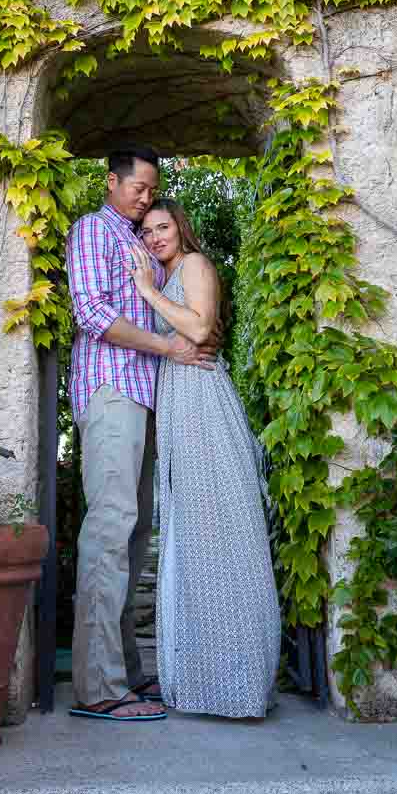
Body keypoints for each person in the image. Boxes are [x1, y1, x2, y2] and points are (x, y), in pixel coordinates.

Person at [66, 147, 219, 723]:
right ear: (113, 182)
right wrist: (170, 348)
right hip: (112, 390)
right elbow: (92, 314)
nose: (147, 198)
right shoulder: (92, 231)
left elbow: (178, 315)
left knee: (132, 535)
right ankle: (98, 687)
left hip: (151, 395)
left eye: (154, 191)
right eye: (140, 188)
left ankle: (126, 672)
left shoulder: (142, 244)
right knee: (109, 527)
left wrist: (192, 338)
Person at [130, 198, 281, 719]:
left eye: (162, 227)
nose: (154, 238)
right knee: (194, 538)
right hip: (178, 403)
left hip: (202, 402)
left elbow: (198, 330)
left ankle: (238, 681)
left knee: (222, 535)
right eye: (146, 232)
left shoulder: (194, 264)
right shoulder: (167, 269)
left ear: (181, 227)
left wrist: (148, 292)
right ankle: (203, 680)